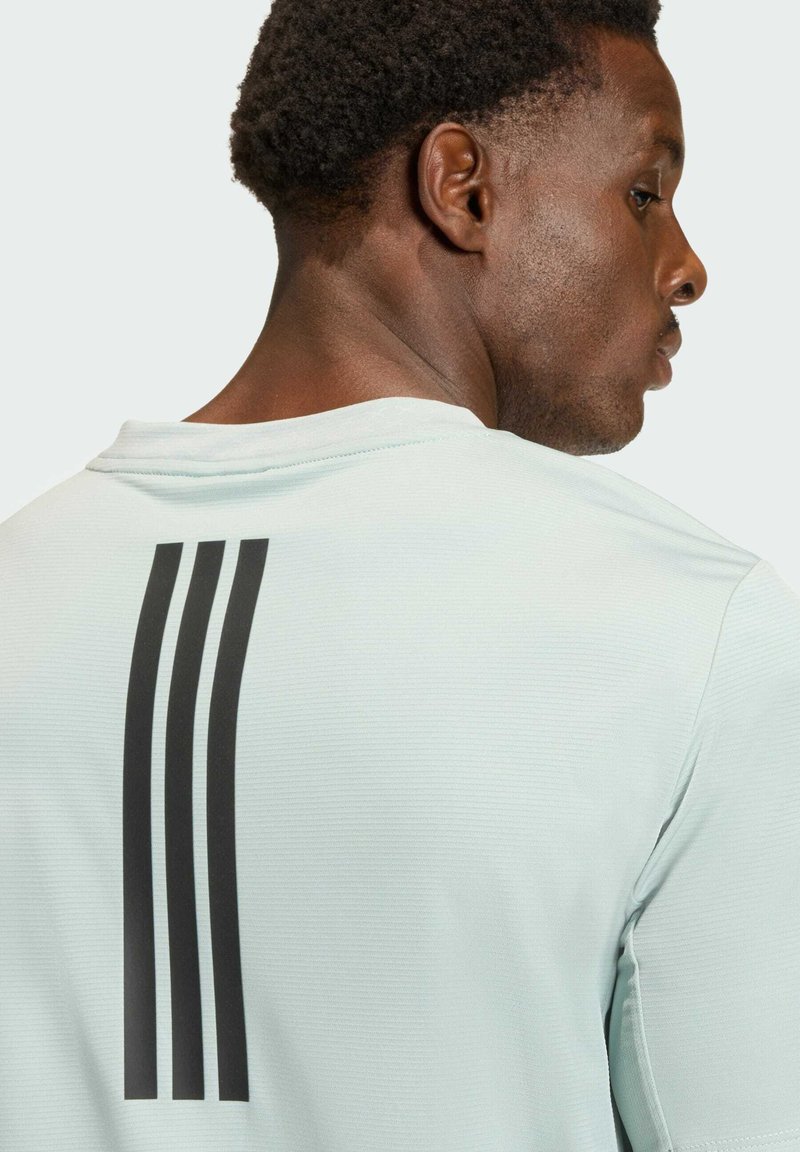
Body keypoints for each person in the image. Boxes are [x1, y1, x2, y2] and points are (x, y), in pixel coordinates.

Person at [0, 2, 798, 1150]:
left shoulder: (23, 587)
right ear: (460, 187)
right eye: (642, 192)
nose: (685, 268)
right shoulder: (689, 630)